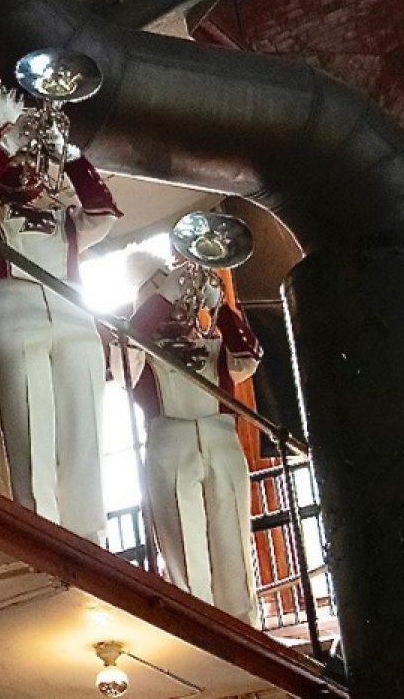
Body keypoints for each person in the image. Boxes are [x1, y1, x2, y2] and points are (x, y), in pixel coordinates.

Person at [0, 123, 121, 538]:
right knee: (30, 438)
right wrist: (0, 149)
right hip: (15, 314)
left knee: (84, 438)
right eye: (19, 158)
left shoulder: (64, 216)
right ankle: (42, 538)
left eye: (30, 158)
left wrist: (70, 156)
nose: (26, 165)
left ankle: (92, 541)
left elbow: (103, 214)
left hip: (74, 317)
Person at [124, 254, 263, 623]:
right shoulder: (138, 346)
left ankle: (246, 628)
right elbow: (126, 350)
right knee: (185, 555)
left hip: (221, 439)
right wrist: (164, 297)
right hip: (170, 440)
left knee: (233, 542)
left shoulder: (212, 343)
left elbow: (248, 357)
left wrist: (221, 307)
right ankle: (199, 630)